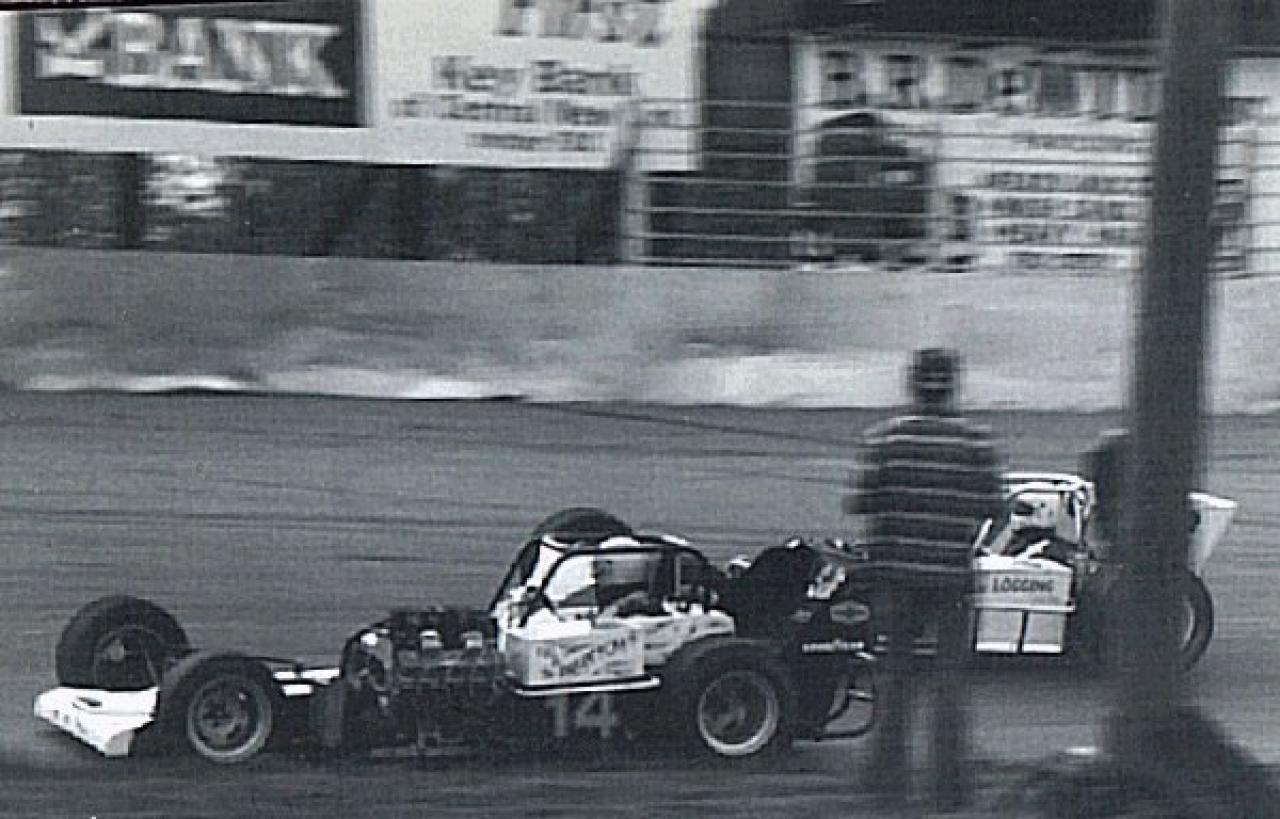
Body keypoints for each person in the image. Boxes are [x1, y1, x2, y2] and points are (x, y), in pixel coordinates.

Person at [843, 347, 1005, 812]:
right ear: (953, 386)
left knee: (896, 677)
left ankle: (885, 785)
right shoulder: (976, 442)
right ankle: (948, 790)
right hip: (952, 577)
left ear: (913, 384)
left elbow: (859, 503)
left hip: (896, 576)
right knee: (949, 683)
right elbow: (995, 508)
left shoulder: (886, 438)